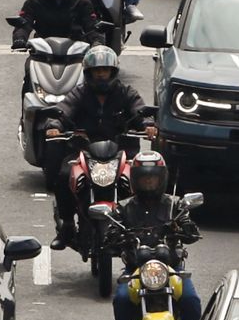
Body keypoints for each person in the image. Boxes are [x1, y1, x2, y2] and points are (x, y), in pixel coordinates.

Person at [44, 46, 157, 249]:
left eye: (105, 70)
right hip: (84, 152)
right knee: (64, 176)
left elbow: (139, 109)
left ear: (113, 72)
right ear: (89, 73)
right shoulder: (79, 93)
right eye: (97, 71)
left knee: (144, 177)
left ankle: (143, 227)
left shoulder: (126, 92)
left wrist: (148, 125)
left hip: (121, 153)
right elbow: (64, 110)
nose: (101, 75)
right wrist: (55, 126)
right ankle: (67, 226)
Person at [105, 151, 202, 320]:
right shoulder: (124, 207)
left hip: (171, 269)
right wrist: (115, 236)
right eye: (144, 178)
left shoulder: (175, 204)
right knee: (122, 299)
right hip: (136, 270)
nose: (149, 182)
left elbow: (191, 232)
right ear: (135, 180)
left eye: (153, 178)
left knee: (190, 299)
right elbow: (111, 234)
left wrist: (184, 227)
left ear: (162, 178)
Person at [12, 0, 106, 92]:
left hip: (75, 56)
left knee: (94, 81)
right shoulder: (33, 2)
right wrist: (20, 38)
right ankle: (28, 106)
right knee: (29, 73)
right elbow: (23, 24)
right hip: (43, 55)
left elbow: (92, 27)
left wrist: (97, 43)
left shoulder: (82, 3)